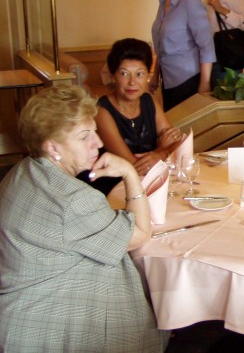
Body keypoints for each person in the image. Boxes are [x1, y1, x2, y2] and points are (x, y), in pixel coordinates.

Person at [0, 85, 168, 352]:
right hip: (45, 321)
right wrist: (129, 173)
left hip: (15, 309)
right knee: (164, 299)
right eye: (84, 136)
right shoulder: (73, 199)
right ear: (52, 147)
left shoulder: (22, 170)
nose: (98, 143)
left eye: (95, 132)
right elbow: (139, 235)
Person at [95, 38, 182, 176]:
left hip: (151, 178)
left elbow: (177, 143)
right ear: (113, 76)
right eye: (124, 73)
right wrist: (161, 151)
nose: (132, 82)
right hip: (116, 182)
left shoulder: (148, 101)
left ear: (148, 75)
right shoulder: (102, 111)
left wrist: (161, 154)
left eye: (139, 74)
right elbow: (133, 167)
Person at [152, 0, 216, 111]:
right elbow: (162, 44)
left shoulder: (190, 3)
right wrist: (155, 75)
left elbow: (207, 47)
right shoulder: (164, 1)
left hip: (188, 81)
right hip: (168, 80)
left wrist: (205, 84)